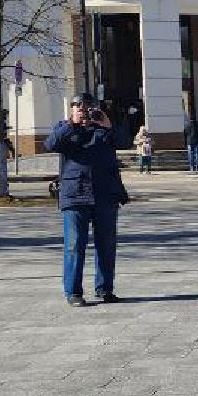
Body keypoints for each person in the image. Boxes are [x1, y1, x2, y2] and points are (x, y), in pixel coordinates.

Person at [47, 93, 129, 307]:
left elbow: (125, 142)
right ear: (71, 110)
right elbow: (50, 144)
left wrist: (108, 125)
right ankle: (73, 292)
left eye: (88, 107)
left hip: (105, 195)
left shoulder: (104, 128)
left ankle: (104, 289)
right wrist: (73, 125)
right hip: (75, 196)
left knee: (106, 245)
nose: (84, 111)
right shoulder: (63, 128)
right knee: (74, 245)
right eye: (78, 107)